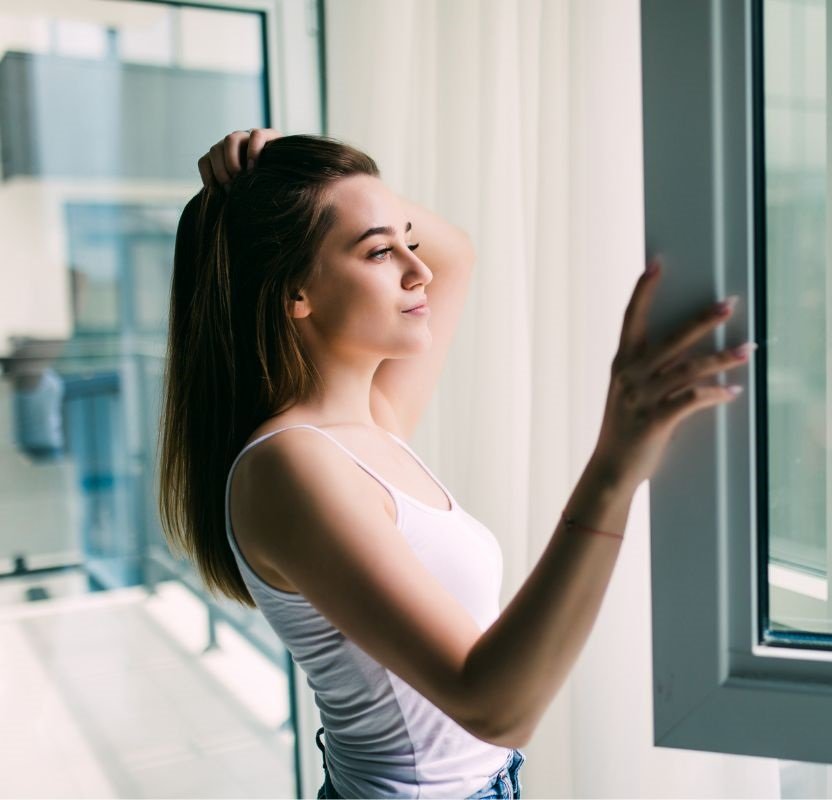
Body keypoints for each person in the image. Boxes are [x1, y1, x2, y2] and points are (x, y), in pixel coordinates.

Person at [157, 128, 752, 798]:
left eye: (407, 240)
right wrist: (613, 466)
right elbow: (495, 707)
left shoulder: (368, 423)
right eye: (380, 251)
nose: (421, 271)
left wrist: (292, 164)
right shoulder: (292, 466)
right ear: (295, 291)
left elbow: (456, 254)